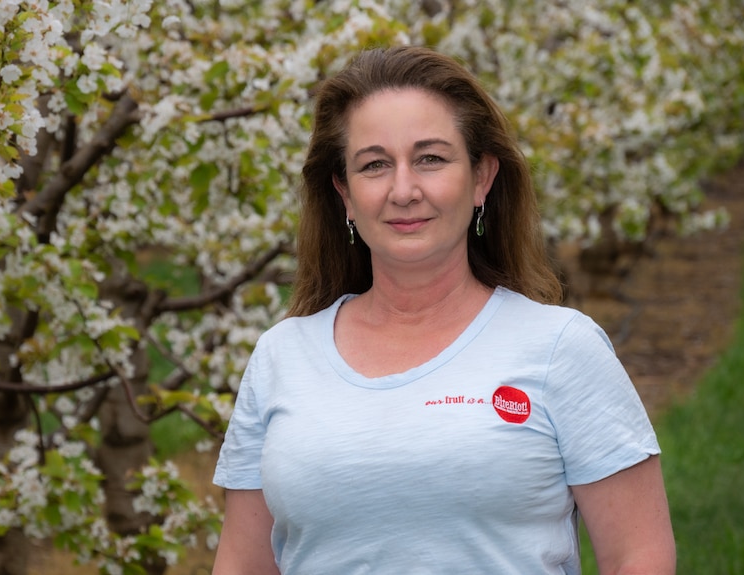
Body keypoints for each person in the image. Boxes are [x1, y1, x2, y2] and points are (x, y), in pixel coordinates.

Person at [211, 45, 675, 574]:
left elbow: (639, 557)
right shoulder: (282, 357)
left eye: (430, 158)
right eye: (374, 165)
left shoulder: (560, 348)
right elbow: (242, 565)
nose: (403, 190)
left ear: (482, 177)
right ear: (343, 192)